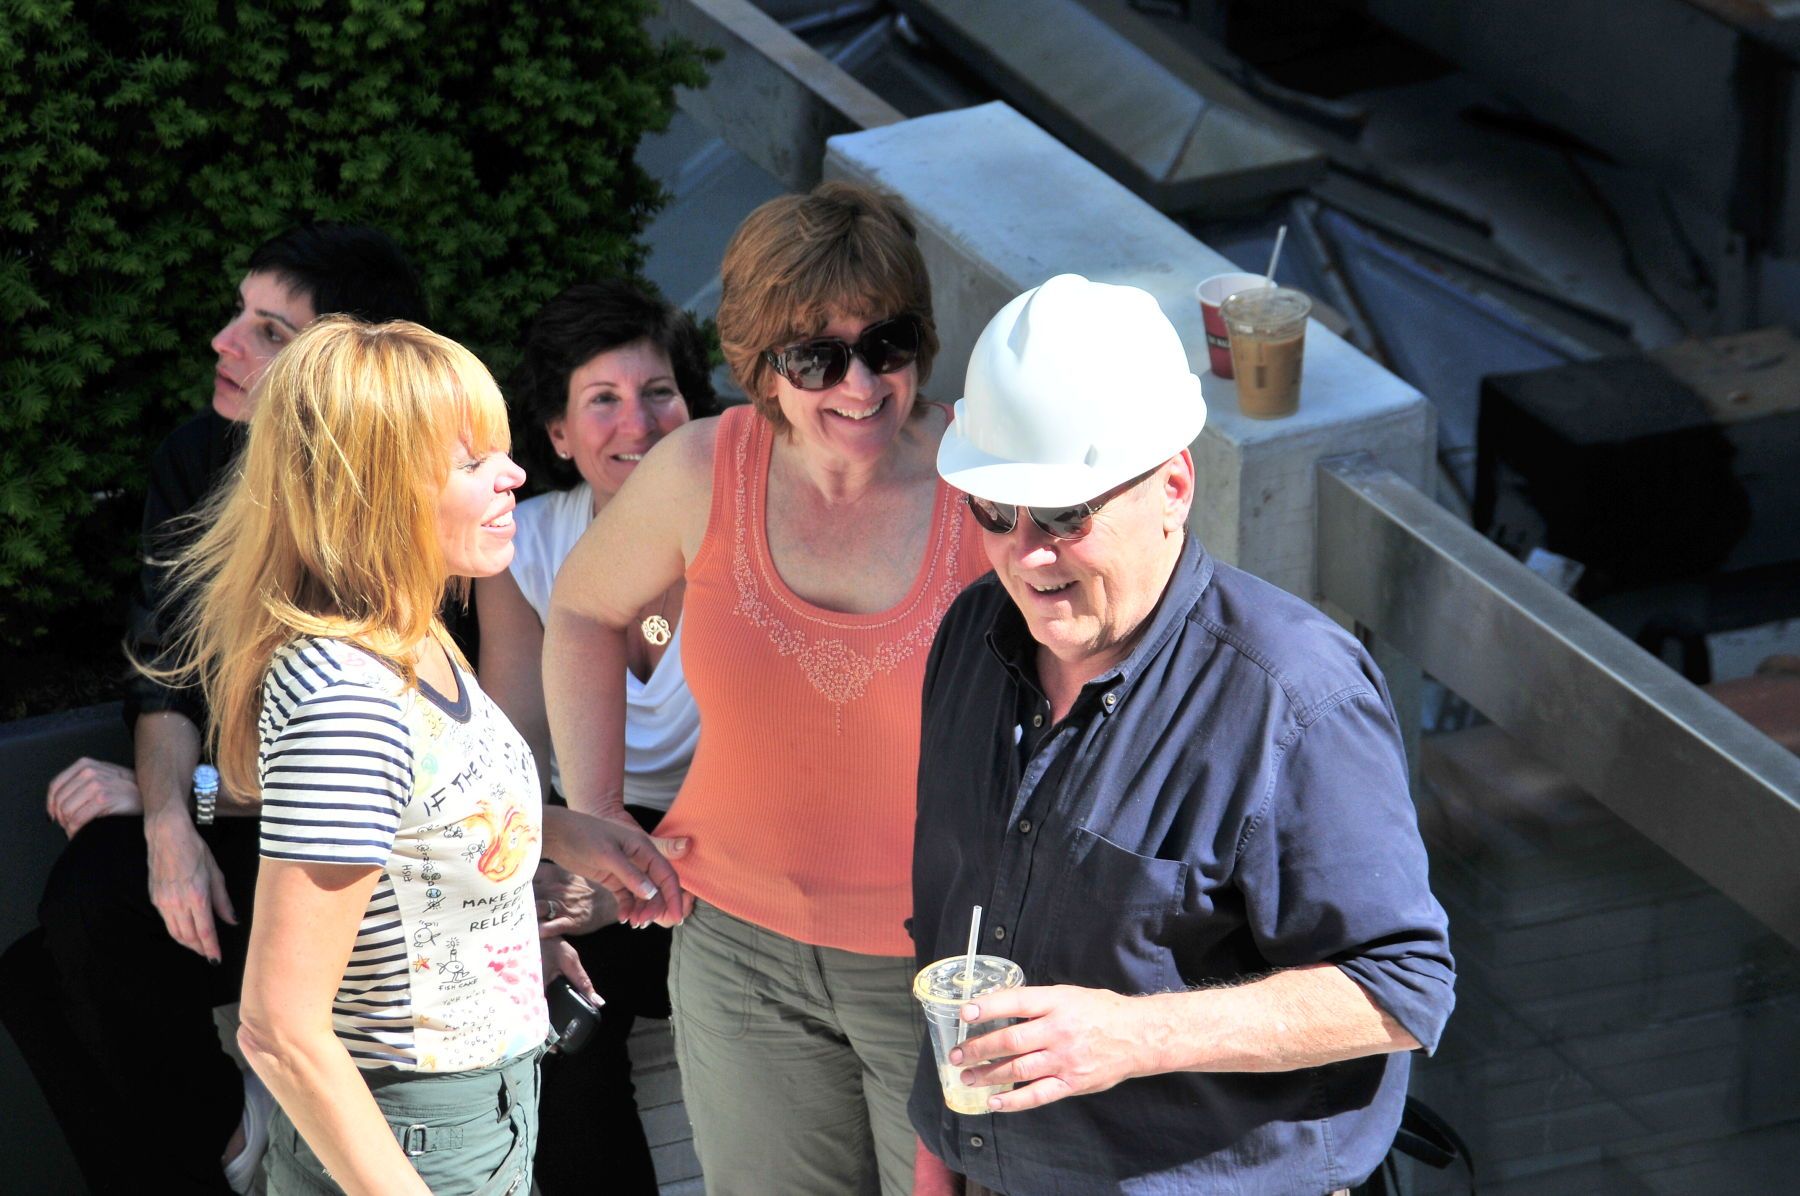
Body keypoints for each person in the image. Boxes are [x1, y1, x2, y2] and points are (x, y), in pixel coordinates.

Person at [910, 275, 1456, 1195]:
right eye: (994, 513)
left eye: (1063, 516)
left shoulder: (1295, 696)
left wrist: (1132, 1035)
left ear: (1172, 487)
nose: (1026, 555)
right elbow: (950, 948)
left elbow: (1405, 989)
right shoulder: (971, 636)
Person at [540, 181, 991, 1195]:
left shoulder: (985, 476)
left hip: (936, 963)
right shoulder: (706, 466)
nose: (862, 383)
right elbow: (581, 611)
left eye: (890, 343)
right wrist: (600, 808)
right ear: (760, 362)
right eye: (816, 357)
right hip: (735, 949)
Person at [0, 224, 429, 1194]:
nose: (224, 341)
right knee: (58, 944)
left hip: (363, 857)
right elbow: (163, 674)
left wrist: (192, 799)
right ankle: (236, 1150)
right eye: (239, 312)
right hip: (240, 812)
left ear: (344, 369)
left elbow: (392, 766)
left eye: (270, 331)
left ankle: (228, 1154)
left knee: (71, 963)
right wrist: (164, 822)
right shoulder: (199, 460)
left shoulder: (405, 493)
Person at [160, 316, 557, 1193]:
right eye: (470, 462)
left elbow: (424, 829)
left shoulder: (414, 638)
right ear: (371, 493)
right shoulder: (347, 695)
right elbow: (278, 1024)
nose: (514, 473)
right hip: (411, 1139)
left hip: (475, 1114)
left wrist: (557, 844)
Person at [476, 280, 717, 1194]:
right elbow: (510, 753)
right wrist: (563, 873)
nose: (641, 424)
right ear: (560, 435)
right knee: (548, 991)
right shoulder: (527, 549)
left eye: (659, 392)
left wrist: (631, 883)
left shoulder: (747, 530)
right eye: (603, 400)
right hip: (601, 841)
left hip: (734, 857)